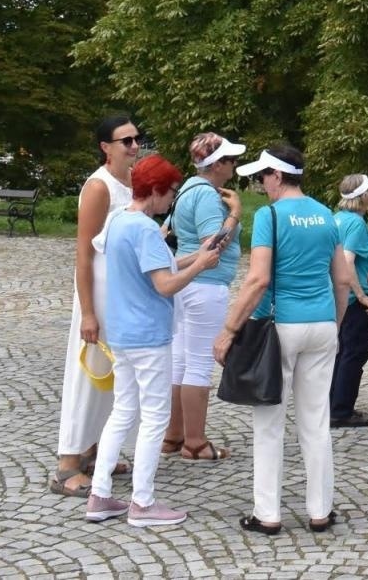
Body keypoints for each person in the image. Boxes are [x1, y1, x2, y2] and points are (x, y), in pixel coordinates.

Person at [83, 155, 226, 527]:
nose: (172, 200)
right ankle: (142, 502)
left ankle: (100, 495)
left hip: (123, 332)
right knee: (154, 417)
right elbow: (164, 284)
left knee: (123, 411)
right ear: (158, 190)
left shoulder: (118, 221)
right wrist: (200, 267)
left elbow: (158, 267)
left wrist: (199, 255)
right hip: (148, 334)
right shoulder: (146, 229)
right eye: (171, 192)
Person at [216, 145, 351, 535]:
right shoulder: (327, 215)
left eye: (263, 177)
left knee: (269, 421)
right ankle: (320, 511)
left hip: (280, 327)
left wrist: (229, 330)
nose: (261, 184)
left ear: (277, 175)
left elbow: (258, 280)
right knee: (316, 420)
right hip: (322, 323)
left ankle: (268, 513)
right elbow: (341, 280)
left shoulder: (269, 217)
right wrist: (335, 325)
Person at [52, 114, 140, 498]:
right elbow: (83, 255)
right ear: (106, 147)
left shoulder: (132, 183)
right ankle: (67, 462)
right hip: (98, 293)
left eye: (137, 139)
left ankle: (95, 450)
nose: (135, 146)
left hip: (121, 292)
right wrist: (87, 311)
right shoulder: (99, 187)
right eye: (126, 141)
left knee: (112, 376)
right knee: (88, 375)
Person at [163, 132, 246, 462]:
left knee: (179, 362)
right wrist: (236, 213)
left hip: (184, 284)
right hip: (206, 283)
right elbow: (214, 243)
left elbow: (166, 233)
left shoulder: (186, 189)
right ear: (217, 164)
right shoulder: (210, 198)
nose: (235, 165)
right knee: (197, 364)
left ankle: (173, 436)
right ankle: (195, 443)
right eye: (231, 159)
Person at [329, 173, 368, 429]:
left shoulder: (336, 218)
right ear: (363, 197)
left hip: (337, 298)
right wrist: (362, 296)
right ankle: (341, 410)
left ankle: (332, 404)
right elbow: (347, 262)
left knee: (340, 354)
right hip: (354, 302)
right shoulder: (356, 224)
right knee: (354, 354)